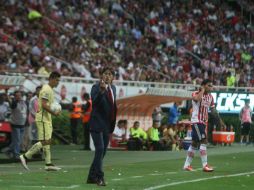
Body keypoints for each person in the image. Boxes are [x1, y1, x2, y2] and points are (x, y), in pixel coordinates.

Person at [20, 71, 62, 171]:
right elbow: (43, 104)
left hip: (46, 118)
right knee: (46, 141)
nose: (58, 82)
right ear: (51, 79)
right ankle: (25, 156)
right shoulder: (47, 89)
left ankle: (48, 164)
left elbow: (47, 103)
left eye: (59, 80)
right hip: (43, 119)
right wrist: (54, 113)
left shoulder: (49, 89)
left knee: (47, 141)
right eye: (57, 80)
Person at [183, 79, 225, 172]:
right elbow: (197, 99)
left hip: (203, 122)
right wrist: (201, 90)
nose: (211, 87)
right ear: (203, 85)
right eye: (209, 85)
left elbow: (213, 110)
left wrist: (220, 120)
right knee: (204, 140)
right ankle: (205, 165)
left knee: (194, 143)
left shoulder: (211, 97)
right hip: (196, 121)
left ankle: (186, 165)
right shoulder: (195, 93)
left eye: (211, 86)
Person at [86, 67, 117, 186]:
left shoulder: (113, 88)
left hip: (107, 125)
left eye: (110, 74)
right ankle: (99, 177)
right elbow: (95, 102)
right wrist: (102, 91)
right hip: (96, 123)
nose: (108, 76)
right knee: (99, 150)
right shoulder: (96, 87)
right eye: (105, 74)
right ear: (101, 76)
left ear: (113, 77)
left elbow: (112, 107)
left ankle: (91, 176)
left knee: (102, 152)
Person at [6, 91, 28, 160]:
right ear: (15, 97)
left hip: (22, 124)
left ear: (21, 96)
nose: (18, 96)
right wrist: (7, 94)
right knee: (17, 140)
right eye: (17, 95)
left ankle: (8, 150)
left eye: (19, 95)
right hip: (15, 124)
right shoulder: (14, 103)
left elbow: (25, 112)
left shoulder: (24, 102)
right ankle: (16, 154)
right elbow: (11, 103)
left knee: (19, 141)